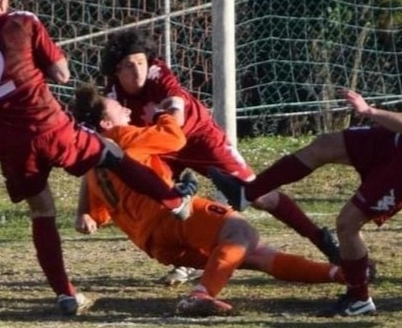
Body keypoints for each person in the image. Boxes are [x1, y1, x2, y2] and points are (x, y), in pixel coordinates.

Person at [211, 10, 402, 317]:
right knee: (326, 144)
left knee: (348, 223)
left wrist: (370, 111)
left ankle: (358, 298)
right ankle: (246, 194)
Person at [0, 0, 196, 316]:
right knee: (111, 154)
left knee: (42, 211)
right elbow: (61, 73)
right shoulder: (22, 22)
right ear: (4, 1)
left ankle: (65, 294)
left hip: (8, 140)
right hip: (46, 124)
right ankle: (174, 201)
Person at [70, 84, 348, 316]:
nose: (127, 108)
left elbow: (100, 215)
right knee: (242, 231)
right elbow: (174, 139)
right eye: (118, 107)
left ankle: (339, 274)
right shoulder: (120, 135)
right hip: (171, 216)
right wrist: (170, 111)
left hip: (154, 244)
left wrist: (85, 215)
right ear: (106, 123)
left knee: (254, 254)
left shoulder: (95, 168)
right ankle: (200, 295)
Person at [101, 31, 340, 286]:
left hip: (199, 139)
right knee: (164, 202)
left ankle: (322, 240)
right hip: (161, 147)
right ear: (115, 70)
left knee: (258, 194)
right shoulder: (113, 99)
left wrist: (167, 127)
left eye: (140, 62)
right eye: (128, 65)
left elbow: (176, 115)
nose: (137, 70)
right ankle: (189, 261)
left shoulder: (158, 73)